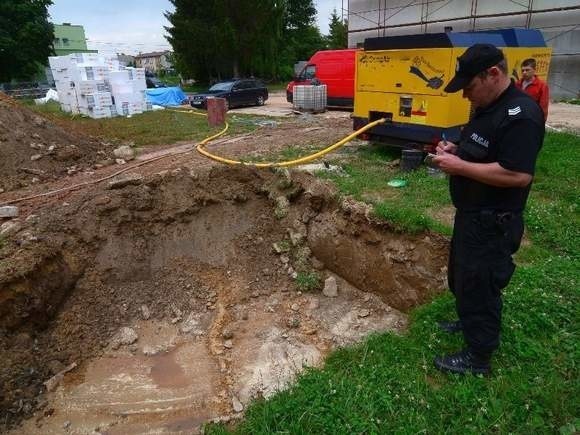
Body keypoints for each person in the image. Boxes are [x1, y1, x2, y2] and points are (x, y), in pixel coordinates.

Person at [432, 44, 545, 375]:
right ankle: (468, 324)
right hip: (470, 213)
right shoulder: (487, 106)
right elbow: (480, 146)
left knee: (480, 284)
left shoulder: (521, 115)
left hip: (493, 221)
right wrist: (457, 149)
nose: (466, 95)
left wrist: (459, 167)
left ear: (492, 74)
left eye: (469, 87)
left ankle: (478, 358)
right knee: (463, 278)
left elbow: (517, 174)